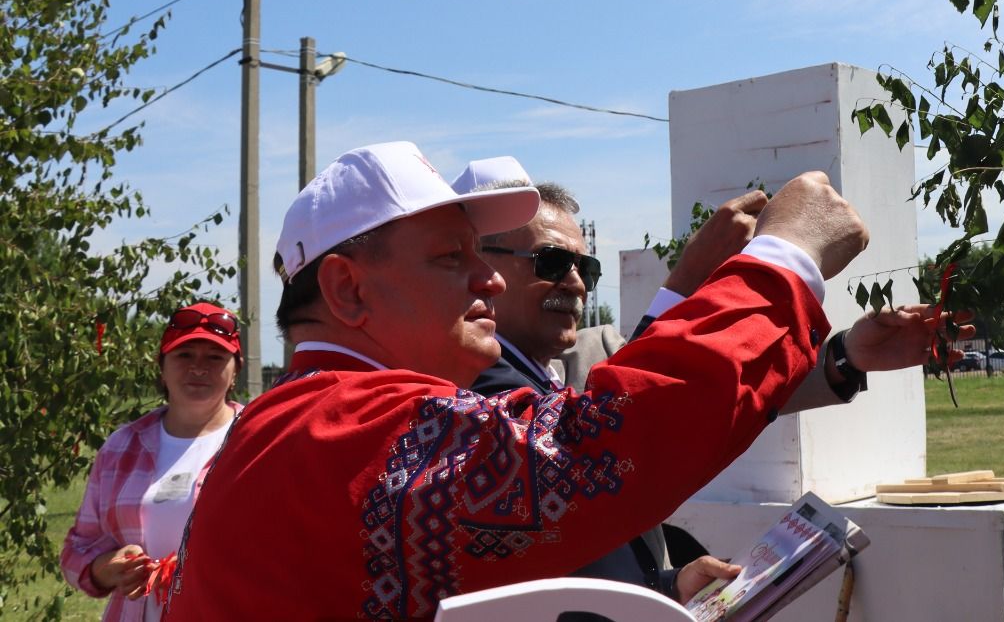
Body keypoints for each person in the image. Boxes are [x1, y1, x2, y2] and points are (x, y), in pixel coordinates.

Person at [164, 141, 868, 621]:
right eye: (450, 257)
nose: (491, 279)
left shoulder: (301, 422)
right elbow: (602, 449)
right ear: (348, 292)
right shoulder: (339, 427)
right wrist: (786, 257)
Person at [452, 156, 975, 605]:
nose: (574, 282)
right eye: (551, 261)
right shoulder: (473, 385)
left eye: (584, 267)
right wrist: (782, 257)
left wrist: (666, 589)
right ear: (483, 272)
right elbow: (643, 419)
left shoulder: (538, 372)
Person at [60, 303, 244, 621]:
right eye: (184, 355)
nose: (198, 368)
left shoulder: (261, 439)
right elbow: (76, 549)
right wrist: (105, 569)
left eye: (215, 358)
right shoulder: (122, 446)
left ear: (234, 372)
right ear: (162, 367)